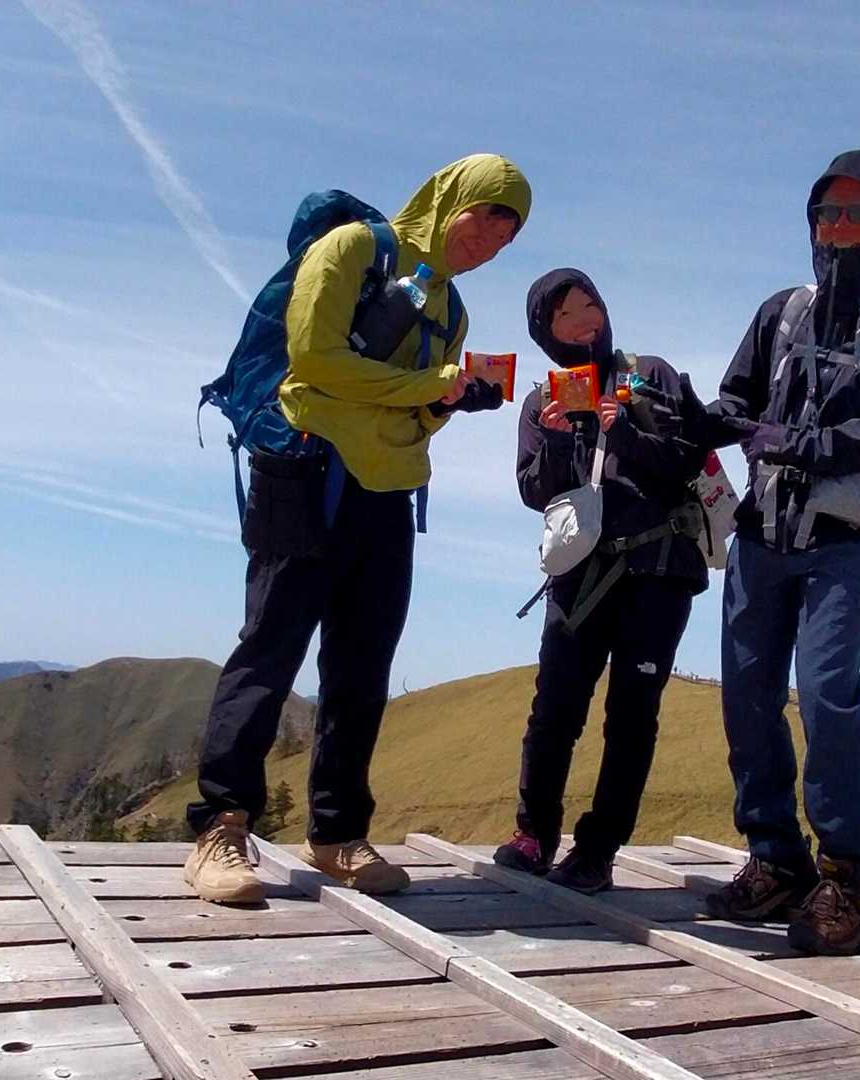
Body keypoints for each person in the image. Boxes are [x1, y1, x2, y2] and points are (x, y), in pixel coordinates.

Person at [184, 155, 532, 904]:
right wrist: (430, 385)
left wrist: (447, 403)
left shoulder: (452, 310)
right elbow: (314, 360)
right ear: (449, 200)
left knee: (362, 666)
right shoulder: (352, 249)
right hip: (306, 466)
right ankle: (221, 827)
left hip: (388, 489)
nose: (489, 241)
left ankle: (337, 833)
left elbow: (412, 413)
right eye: (485, 218)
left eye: (507, 236)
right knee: (271, 646)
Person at [701, 149, 860, 955]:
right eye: (827, 213)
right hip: (762, 531)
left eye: (858, 213)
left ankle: (847, 876)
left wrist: (804, 444)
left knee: (825, 694)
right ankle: (775, 858)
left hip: (848, 537)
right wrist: (685, 418)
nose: (839, 228)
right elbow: (738, 400)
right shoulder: (783, 311)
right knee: (747, 693)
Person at [494, 269, 710, 893]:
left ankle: (598, 851)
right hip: (580, 574)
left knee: (632, 714)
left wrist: (625, 431)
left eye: (590, 304)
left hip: (658, 569)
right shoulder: (541, 403)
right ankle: (534, 834)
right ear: (546, 333)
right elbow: (534, 491)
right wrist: (558, 440)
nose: (585, 320)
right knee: (554, 708)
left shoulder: (651, 375)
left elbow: (688, 458)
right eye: (566, 315)